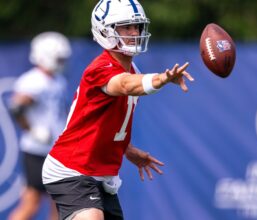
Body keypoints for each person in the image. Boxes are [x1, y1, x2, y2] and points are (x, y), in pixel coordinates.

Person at [41, 0, 194, 219]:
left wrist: (127, 150)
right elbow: (122, 84)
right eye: (126, 27)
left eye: (136, 26)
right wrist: (162, 78)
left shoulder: (132, 69)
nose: (134, 32)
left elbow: (106, 124)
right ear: (105, 30)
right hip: (71, 168)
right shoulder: (100, 68)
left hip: (101, 173)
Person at [8, 32, 72, 220]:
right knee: (31, 203)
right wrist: (32, 130)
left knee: (60, 204)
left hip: (57, 149)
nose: (61, 62)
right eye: (58, 58)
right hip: (37, 150)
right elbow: (17, 108)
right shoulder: (33, 80)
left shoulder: (59, 80)